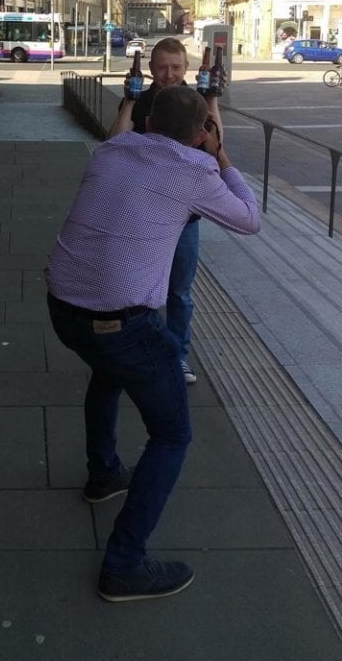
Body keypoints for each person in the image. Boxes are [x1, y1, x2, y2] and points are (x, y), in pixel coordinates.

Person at [46, 86, 260, 601]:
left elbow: (124, 139)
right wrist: (221, 154)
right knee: (171, 434)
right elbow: (249, 219)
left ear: (147, 121)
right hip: (121, 323)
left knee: (107, 370)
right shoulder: (196, 169)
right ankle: (123, 563)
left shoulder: (114, 149)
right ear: (200, 133)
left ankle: (103, 474)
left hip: (63, 307)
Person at [107, 36, 224, 384]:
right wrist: (128, 102)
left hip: (184, 219)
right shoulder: (141, 100)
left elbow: (217, 147)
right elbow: (112, 144)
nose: (169, 74)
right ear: (151, 68)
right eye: (162, 67)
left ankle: (177, 358)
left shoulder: (195, 101)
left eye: (175, 67)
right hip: (141, 215)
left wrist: (212, 100)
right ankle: (141, 353)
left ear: (186, 68)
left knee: (179, 293)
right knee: (139, 291)